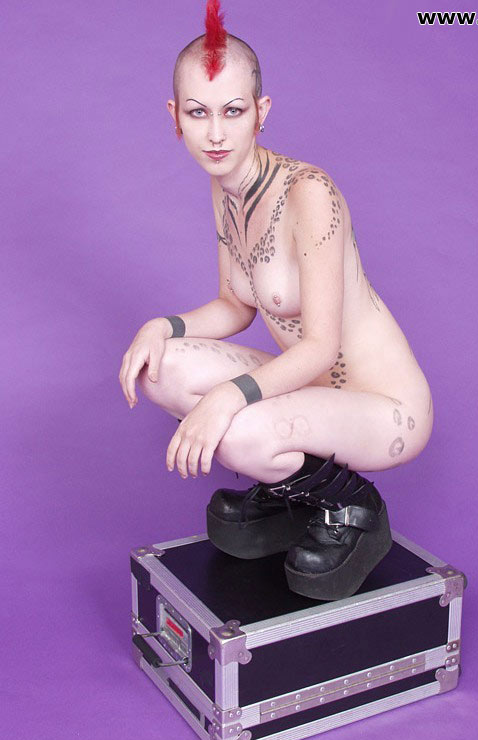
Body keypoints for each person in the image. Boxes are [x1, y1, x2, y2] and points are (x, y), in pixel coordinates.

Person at [119, 0, 434, 601]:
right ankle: (297, 495)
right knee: (162, 368)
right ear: (175, 117)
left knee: (236, 433)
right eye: (198, 112)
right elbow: (235, 305)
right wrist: (162, 326)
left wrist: (225, 399)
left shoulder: (309, 192)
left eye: (233, 111)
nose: (216, 134)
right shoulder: (226, 185)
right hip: (307, 387)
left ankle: (356, 510)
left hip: (384, 405)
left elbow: (321, 346)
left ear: (261, 112)